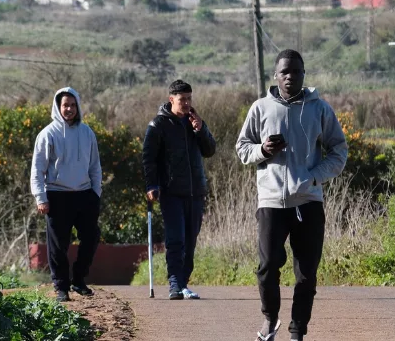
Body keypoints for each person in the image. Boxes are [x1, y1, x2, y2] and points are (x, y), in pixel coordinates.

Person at [236, 50, 348, 341]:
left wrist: (314, 177)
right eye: (284, 72)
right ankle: (270, 319)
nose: (290, 77)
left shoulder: (319, 109)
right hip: (271, 201)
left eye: (296, 72)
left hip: (308, 201)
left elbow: (339, 151)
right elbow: (242, 148)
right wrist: (263, 150)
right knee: (267, 265)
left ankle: (297, 330)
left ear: (303, 75)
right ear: (275, 75)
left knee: (306, 273)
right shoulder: (260, 108)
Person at [142, 79, 216, 300]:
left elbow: (210, 150)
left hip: (196, 192)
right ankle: (175, 283)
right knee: (176, 239)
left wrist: (201, 130)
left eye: (189, 99)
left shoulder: (195, 122)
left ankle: (183, 283)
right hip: (171, 191)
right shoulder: (158, 125)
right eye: (182, 99)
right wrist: (151, 185)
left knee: (191, 240)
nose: (186, 103)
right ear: (171, 99)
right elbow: (149, 159)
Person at [30, 87, 102, 303]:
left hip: (85, 194)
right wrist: (40, 197)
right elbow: (37, 169)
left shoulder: (87, 133)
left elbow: (95, 166)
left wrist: (95, 193)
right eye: (65, 105)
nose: (69, 109)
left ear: (78, 106)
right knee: (58, 245)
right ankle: (61, 287)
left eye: (72, 105)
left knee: (91, 237)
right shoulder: (47, 134)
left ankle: (78, 280)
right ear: (58, 107)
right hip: (57, 195)